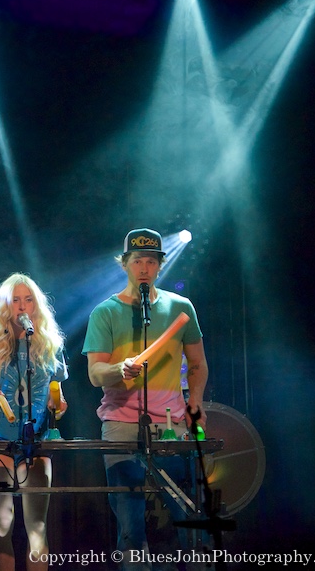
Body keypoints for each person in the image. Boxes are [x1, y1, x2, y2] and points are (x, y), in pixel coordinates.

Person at [82, 228, 209, 570]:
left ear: (159, 266)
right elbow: (95, 374)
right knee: (129, 523)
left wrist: (194, 404)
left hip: (171, 424)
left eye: (151, 261)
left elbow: (197, 364)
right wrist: (118, 369)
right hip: (121, 424)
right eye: (137, 261)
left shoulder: (180, 307)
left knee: (188, 515)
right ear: (124, 264)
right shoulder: (105, 312)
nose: (144, 268)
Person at [0, 273, 68, 571]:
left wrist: (58, 405)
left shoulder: (49, 343)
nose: (22, 307)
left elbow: (57, 396)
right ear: (4, 306)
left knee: (37, 526)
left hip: (36, 440)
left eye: (29, 300)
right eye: (15, 301)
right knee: (3, 522)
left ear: (37, 305)